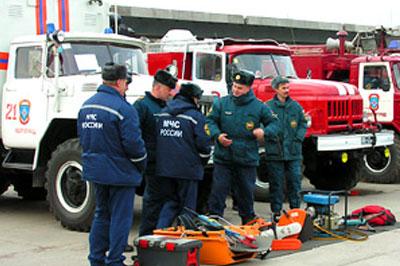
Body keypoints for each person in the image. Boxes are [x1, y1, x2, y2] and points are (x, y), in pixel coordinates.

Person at [78, 62, 147, 266]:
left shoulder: (87, 105)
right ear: (119, 82)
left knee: (101, 214)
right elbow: (133, 144)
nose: (127, 87)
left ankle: (96, 259)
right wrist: (141, 163)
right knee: (120, 218)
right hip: (121, 173)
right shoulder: (124, 109)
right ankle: (115, 260)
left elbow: (83, 138)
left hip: (96, 170)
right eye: (126, 82)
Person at [206, 69, 278, 225]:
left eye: (240, 88)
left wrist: (264, 132)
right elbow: (210, 122)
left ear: (248, 88)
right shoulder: (222, 103)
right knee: (218, 190)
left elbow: (275, 125)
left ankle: (248, 220)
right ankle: (214, 219)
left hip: (246, 158)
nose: (236, 90)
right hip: (223, 157)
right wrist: (217, 135)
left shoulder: (259, 107)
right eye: (234, 86)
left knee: (245, 192)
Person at [155, 83, 212, 228]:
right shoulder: (195, 116)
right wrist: (202, 162)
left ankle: (160, 234)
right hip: (188, 170)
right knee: (187, 208)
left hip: (165, 168)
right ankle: (184, 238)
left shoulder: (162, 113)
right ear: (193, 98)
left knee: (169, 203)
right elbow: (204, 145)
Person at [135, 69, 177, 236]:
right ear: (158, 88)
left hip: (166, 163)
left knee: (166, 200)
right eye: (168, 90)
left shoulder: (168, 106)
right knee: (152, 203)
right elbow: (134, 132)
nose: (170, 93)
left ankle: (159, 235)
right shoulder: (143, 106)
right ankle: (146, 237)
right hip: (151, 162)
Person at [265, 76, 307, 221]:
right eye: (283, 88)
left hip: (293, 153)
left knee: (295, 182)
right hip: (275, 152)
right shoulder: (268, 107)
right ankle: (276, 213)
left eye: (288, 88)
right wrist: (269, 136)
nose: (287, 91)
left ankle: (295, 211)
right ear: (276, 89)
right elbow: (263, 125)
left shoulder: (295, 107)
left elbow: (303, 124)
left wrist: (298, 138)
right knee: (276, 183)